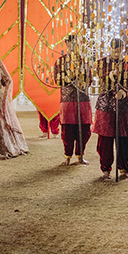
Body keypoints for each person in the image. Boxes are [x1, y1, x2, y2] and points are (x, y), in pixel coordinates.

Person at [93, 38, 128, 179]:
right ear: (110, 48)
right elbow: (101, 78)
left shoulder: (127, 65)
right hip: (106, 105)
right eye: (115, 50)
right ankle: (106, 169)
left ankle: (124, 168)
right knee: (105, 139)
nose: (117, 53)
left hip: (121, 105)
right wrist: (110, 76)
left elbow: (127, 82)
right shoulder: (101, 63)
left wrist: (122, 92)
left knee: (124, 138)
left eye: (119, 50)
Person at [54, 35, 92, 165]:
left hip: (82, 99)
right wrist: (70, 77)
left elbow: (90, 80)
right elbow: (57, 80)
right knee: (68, 129)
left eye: (76, 44)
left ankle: (80, 155)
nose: (73, 47)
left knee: (84, 129)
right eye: (71, 44)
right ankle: (68, 156)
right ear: (67, 45)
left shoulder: (84, 62)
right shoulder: (60, 62)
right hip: (67, 100)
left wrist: (81, 80)